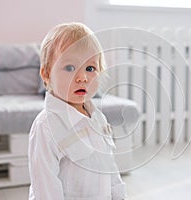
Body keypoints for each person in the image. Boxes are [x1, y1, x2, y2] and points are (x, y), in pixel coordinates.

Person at [28, 22, 126, 200]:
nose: (82, 77)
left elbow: (109, 166)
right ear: (46, 75)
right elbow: (45, 187)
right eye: (70, 68)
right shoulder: (47, 126)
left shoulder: (98, 118)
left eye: (90, 68)